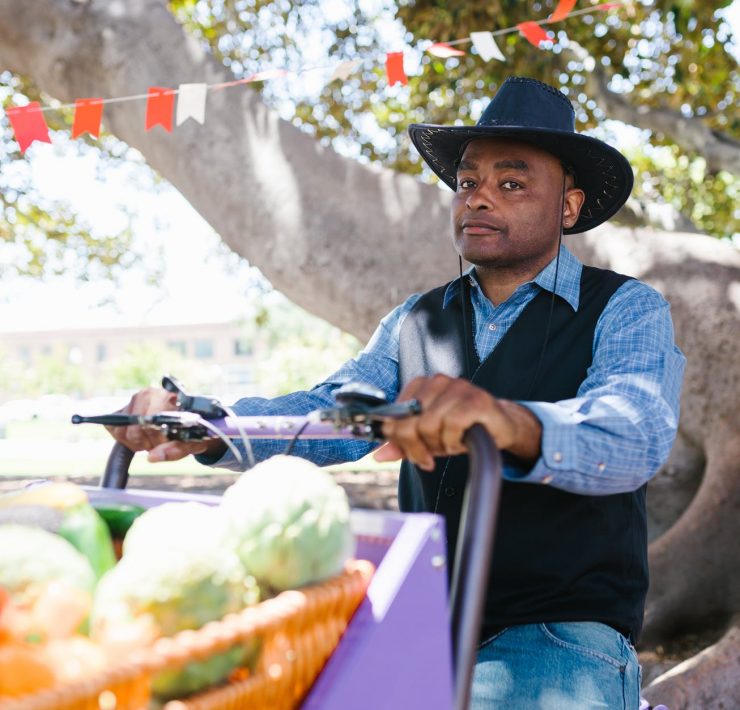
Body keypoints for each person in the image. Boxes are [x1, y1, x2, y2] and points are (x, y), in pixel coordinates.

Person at [110, 77, 685, 709]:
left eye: (511, 183)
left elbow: (635, 431)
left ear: (568, 208)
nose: (478, 199)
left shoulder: (626, 309)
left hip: (556, 635)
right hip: (418, 615)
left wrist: (506, 420)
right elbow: (330, 413)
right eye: (468, 183)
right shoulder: (417, 319)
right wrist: (200, 423)